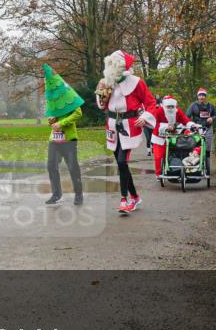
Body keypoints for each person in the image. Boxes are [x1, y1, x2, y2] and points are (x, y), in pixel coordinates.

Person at [96, 50, 156, 215]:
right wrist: (101, 95)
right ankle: (135, 197)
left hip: (130, 125)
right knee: (121, 164)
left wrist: (145, 117)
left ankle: (124, 199)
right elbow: (102, 106)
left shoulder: (136, 82)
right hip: (112, 126)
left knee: (122, 162)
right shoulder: (107, 82)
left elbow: (150, 103)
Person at [42, 64, 85, 206]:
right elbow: (52, 117)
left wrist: (62, 123)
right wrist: (52, 121)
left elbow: (78, 113)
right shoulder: (51, 98)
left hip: (69, 138)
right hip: (54, 138)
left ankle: (78, 195)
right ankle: (56, 194)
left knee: (73, 167)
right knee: (51, 166)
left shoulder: (68, 94)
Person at [150, 95, 191, 177]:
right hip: (159, 138)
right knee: (159, 157)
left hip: (173, 137)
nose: (170, 108)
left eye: (172, 106)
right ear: (164, 106)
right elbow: (154, 124)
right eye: (168, 106)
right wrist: (166, 127)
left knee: (175, 154)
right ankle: (158, 174)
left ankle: (176, 170)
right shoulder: (159, 111)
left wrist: (191, 126)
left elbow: (185, 120)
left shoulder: (177, 111)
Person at [187, 88, 216, 161]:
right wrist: (190, 124)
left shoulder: (210, 106)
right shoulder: (193, 105)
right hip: (196, 128)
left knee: (208, 144)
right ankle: (195, 158)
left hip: (208, 127)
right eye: (200, 95)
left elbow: (215, 115)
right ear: (198, 96)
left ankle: (207, 159)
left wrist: (212, 118)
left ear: (205, 97)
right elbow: (187, 116)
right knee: (196, 143)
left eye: (203, 95)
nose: (202, 97)